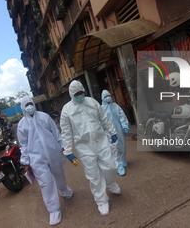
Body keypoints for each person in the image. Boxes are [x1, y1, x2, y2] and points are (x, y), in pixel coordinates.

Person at [60, 80, 120, 216]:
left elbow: (103, 118)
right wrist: (68, 150)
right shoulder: (67, 110)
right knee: (93, 175)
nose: (80, 96)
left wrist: (112, 131)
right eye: (77, 94)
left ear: (84, 91)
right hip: (84, 146)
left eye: (81, 93)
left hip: (101, 141)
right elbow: (66, 132)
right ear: (71, 94)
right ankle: (101, 200)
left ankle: (111, 183)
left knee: (110, 166)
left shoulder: (92, 102)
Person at [17, 96, 73, 226]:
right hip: (36, 158)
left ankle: (63, 190)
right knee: (46, 182)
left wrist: (63, 146)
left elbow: (56, 133)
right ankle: (53, 210)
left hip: (53, 152)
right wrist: (26, 162)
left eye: (31, 103)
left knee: (59, 174)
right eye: (27, 105)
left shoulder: (44, 117)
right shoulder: (21, 125)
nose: (30, 106)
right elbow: (23, 145)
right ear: (23, 108)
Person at [101, 90, 129, 176]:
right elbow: (100, 121)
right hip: (109, 131)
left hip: (118, 129)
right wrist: (101, 131)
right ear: (102, 98)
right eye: (105, 96)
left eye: (109, 95)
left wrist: (125, 126)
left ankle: (122, 159)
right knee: (114, 148)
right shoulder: (101, 109)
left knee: (122, 144)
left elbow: (122, 116)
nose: (108, 97)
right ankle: (118, 165)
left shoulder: (115, 106)